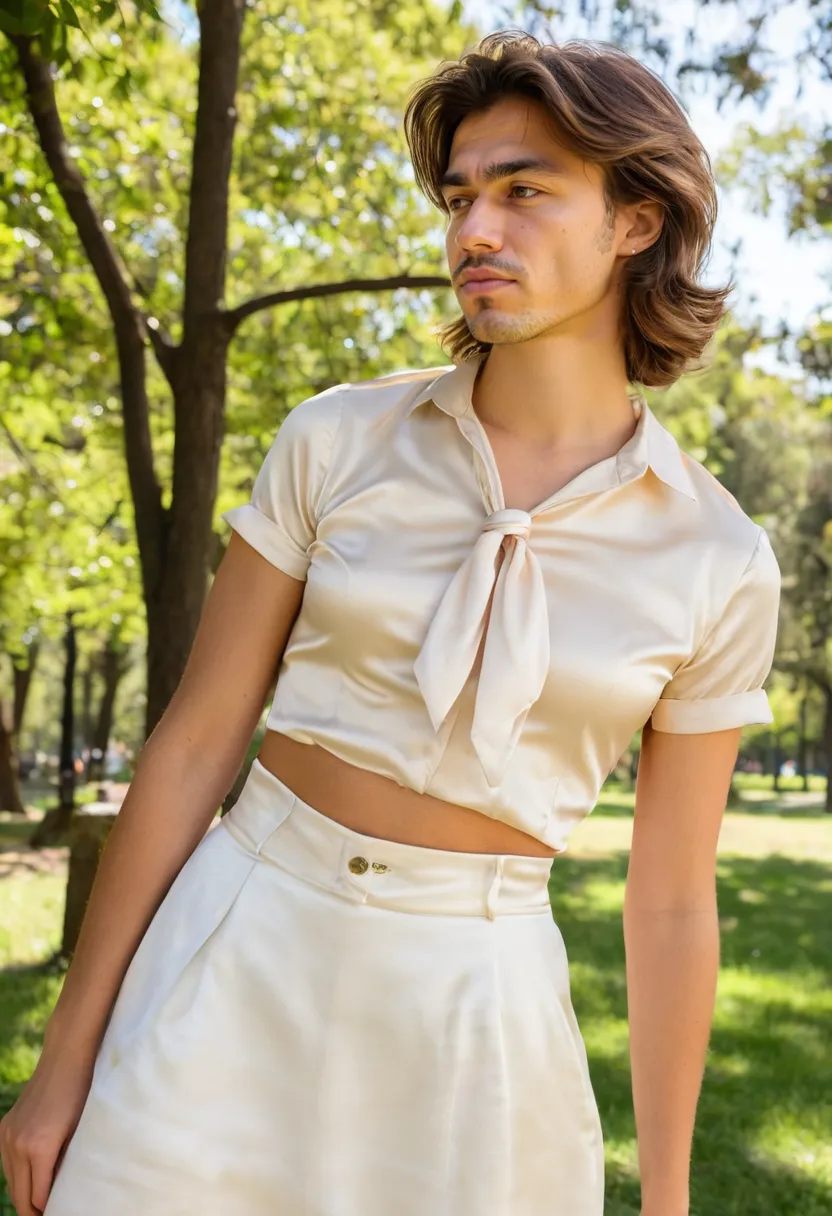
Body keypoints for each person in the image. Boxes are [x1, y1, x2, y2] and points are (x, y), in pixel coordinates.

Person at [1, 29, 781, 1216]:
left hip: (477, 1019)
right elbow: (199, 740)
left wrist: (666, 1199)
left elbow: (670, 899)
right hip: (235, 947)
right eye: (462, 195)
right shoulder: (336, 440)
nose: (475, 230)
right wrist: (63, 1064)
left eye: (525, 192)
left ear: (635, 220)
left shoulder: (717, 557)